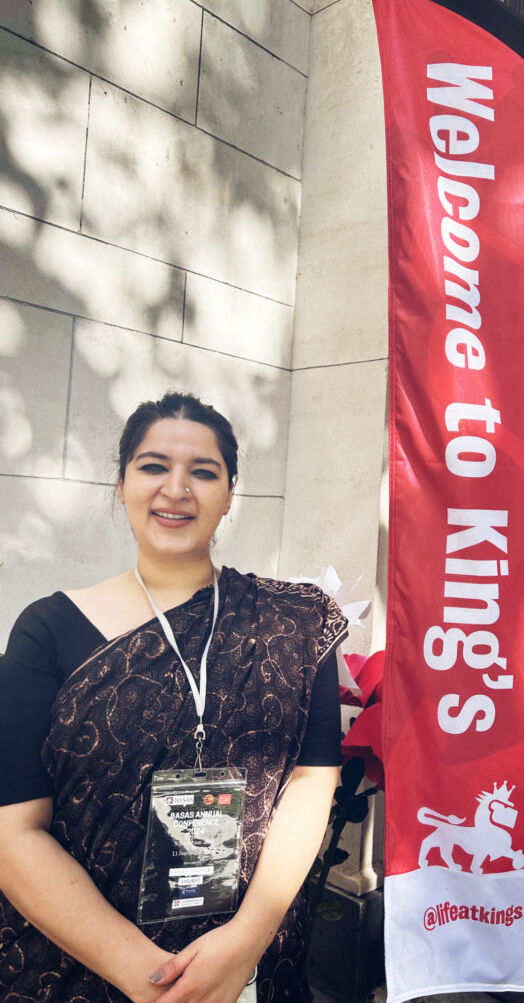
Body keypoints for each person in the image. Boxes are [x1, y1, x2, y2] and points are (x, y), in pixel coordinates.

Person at [0, 392, 347, 1003]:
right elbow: (14, 830)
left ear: (230, 494)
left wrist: (246, 941)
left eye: (204, 472)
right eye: (154, 465)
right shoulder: (47, 630)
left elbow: (312, 782)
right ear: (122, 483)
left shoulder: (293, 622)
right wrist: (151, 980)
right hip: (74, 966)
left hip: (247, 967)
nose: (176, 489)